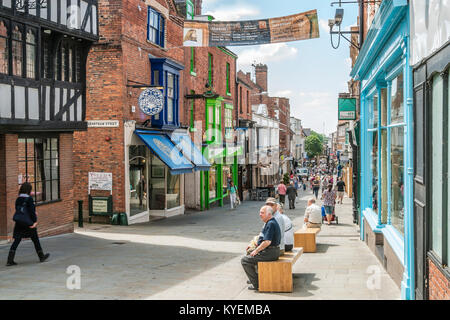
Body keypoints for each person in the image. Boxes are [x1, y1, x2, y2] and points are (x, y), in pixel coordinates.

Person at [6, 182, 50, 266]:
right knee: (35, 239)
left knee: (17, 240)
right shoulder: (29, 199)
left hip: (19, 222)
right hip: (28, 223)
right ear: (29, 190)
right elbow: (32, 212)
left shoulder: (18, 198)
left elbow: (18, 210)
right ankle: (41, 256)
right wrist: (34, 221)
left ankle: (10, 260)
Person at [241, 205, 281, 290]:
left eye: (262, 213)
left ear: (269, 214)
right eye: (260, 212)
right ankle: (254, 278)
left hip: (270, 252)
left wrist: (256, 250)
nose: (260, 214)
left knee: (245, 260)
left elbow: (267, 242)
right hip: (271, 251)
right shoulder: (269, 222)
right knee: (249, 253)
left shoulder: (271, 223)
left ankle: (256, 284)